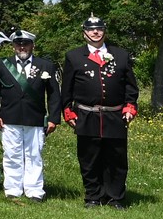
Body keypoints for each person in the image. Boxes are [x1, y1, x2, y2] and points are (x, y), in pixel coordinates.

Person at [58, 15, 137, 208]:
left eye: (99, 29)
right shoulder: (73, 56)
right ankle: (93, 196)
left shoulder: (121, 55)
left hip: (115, 116)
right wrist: (67, 111)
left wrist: (130, 106)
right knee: (89, 159)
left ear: (104, 31)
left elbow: (130, 86)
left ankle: (115, 197)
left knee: (116, 159)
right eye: (91, 29)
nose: (95, 32)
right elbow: (67, 89)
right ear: (84, 33)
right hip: (86, 116)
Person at [0, 30, 58, 200]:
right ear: (13, 46)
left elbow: (54, 95)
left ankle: (35, 191)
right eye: (18, 44)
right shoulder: (2, 64)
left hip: (35, 118)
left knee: (34, 155)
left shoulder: (46, 66)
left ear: (32, 45)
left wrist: (54, 118)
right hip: (9, 118)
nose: (22, 47)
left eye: (26, 44)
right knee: (12, 155)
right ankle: (12, 189)